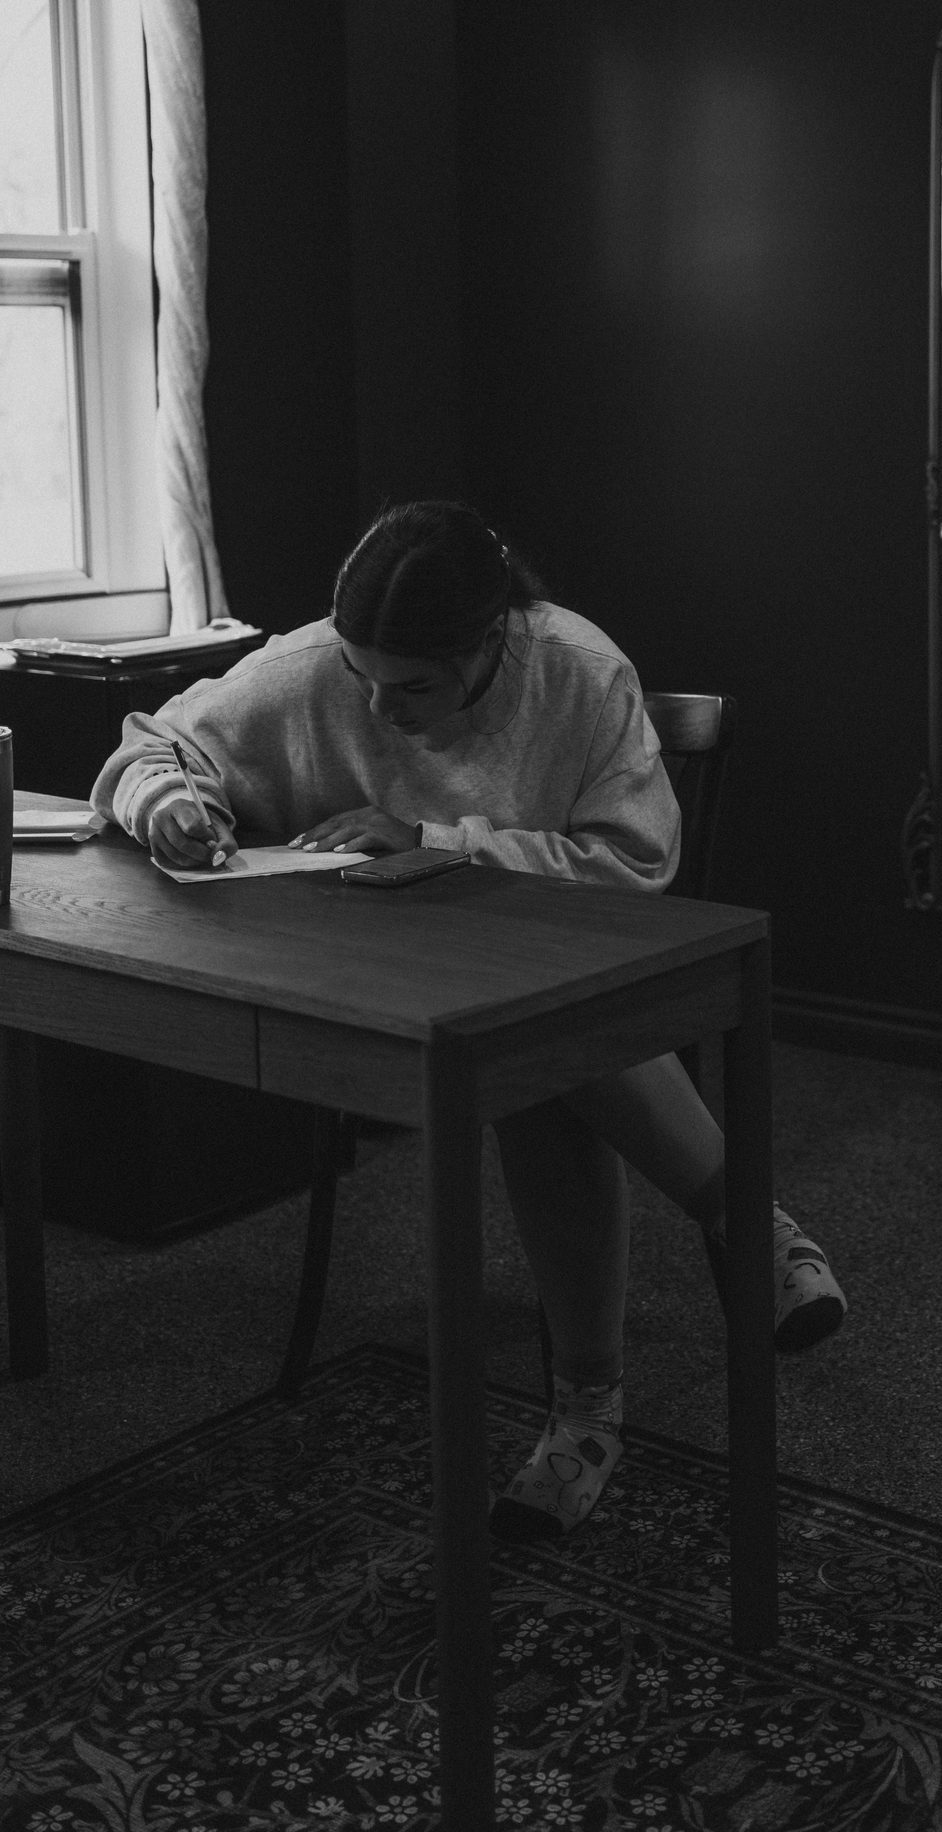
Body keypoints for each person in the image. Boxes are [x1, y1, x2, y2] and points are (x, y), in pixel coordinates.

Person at [91, 499, 847, 1538]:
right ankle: (742, 1222)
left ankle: (586, 1415)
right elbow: (152, 746)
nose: (380, 709)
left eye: (412, 688)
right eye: (361, 679)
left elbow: (634, 865)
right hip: (379, 981)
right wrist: (171, 805)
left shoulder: (579, 672)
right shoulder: (313, 668)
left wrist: (435, 838)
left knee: (538, 1070)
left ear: (490, 643)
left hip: (559, 975)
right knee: (536, 1058)